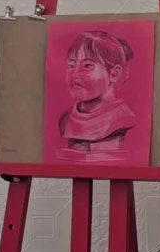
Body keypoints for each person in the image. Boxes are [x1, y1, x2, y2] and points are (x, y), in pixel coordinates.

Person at [57, 30, 136, 159]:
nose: (75, 74)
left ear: (114, 74)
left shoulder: (122, 118)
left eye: (87, 66)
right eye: (71, 65)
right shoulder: (65, 119)